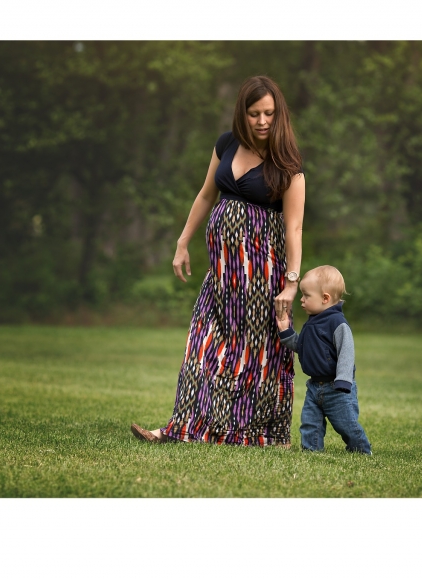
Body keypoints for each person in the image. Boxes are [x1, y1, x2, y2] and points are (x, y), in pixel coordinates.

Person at [130, 75, 305, 447]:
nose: (261, 121)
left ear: (280, 115)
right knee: (201, 344)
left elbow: (294, 230)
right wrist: (182, 242)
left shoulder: (288, 166)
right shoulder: (226, 144)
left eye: (269, 114)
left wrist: (291, 283)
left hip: (262, 279)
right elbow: (206, 195)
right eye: (254, 113)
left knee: (254, 358)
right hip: (222, 276)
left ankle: (262, 434)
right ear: (242, 113)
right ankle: (180, 428)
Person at [275, 265, 372, 454]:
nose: (301, 300)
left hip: (337, 388)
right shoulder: (312, 322)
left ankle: (361, 450)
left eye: (306, 295)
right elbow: (303, 347)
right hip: (314, 386)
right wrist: (285, 330)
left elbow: (346, 352)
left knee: (345, 424)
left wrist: (343, 380)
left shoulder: (337, 323)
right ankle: (311, 450)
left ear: (325, 298)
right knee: (310, 422)